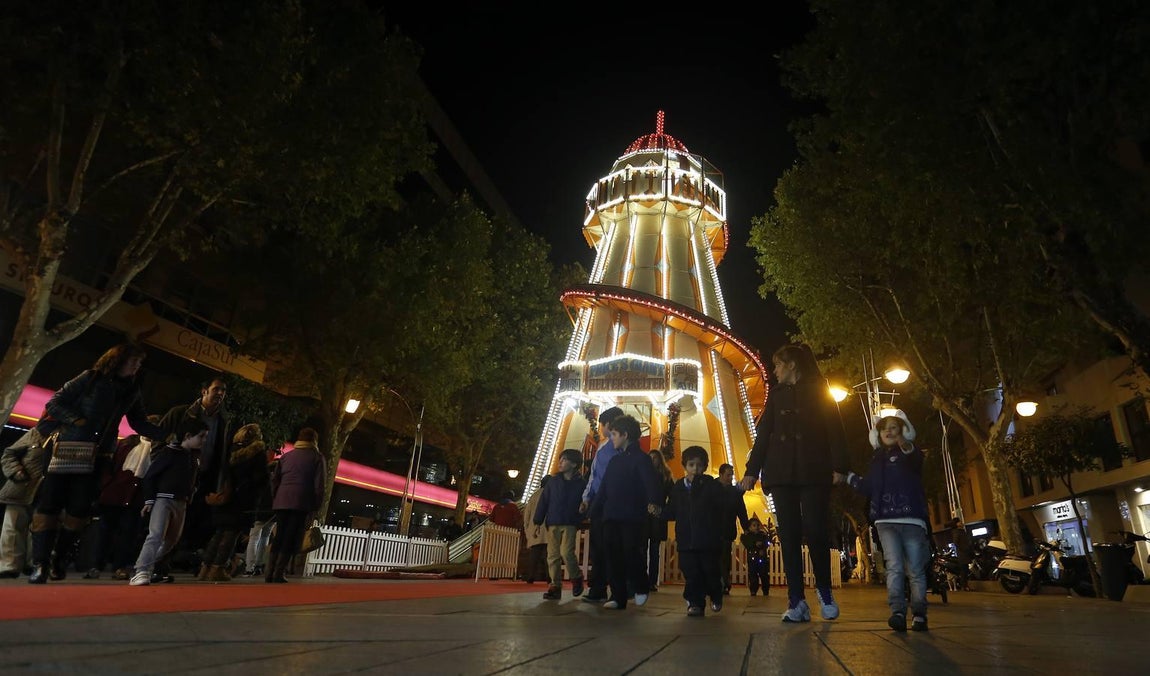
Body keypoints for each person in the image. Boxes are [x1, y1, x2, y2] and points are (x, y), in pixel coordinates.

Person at [29, 342, 166, 585]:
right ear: (118, 360)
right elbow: (54, 404)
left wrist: (167, 433)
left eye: (139, 362)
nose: (137, 366)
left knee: (80, 509)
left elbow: (139, 422)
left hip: (98, 455)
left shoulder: (131, 390)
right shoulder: (90, 378)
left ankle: (57, 558)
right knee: (49, 505)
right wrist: (77, 420)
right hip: (68, 449)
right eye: (134, 360)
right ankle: (39, 563)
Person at [739, 343, 849, 622]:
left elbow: (835, 429)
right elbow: (763, 433)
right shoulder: (775, 396)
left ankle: (824, 591)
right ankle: (796, 599)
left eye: (777, 364)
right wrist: (752, 470)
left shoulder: (820, 391)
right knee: (787, 534)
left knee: (815, 529)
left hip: (813, 468)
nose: (774, 370)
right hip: (781, 471)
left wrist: (840, 466)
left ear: (791, 365)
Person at [841, 409, 930, 632]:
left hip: (912, 520)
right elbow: (869, 486)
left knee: (915, 569)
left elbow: (914, 457)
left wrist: (904, 444)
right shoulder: (877, 459)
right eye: (885, 429)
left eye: (894, 427)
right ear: (878, 435)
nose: (889, 432)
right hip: (885, 521)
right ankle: (897, 611)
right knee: (894, 566)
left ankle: (919, 613)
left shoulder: (910, 454)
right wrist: (846, 478)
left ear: (903, 430)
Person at [589, 414, 662, 610]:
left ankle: (640, 586)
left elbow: (650, 482)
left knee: (631, 552)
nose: (611, 438)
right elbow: (604, 487)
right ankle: (617, 595)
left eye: (614, 434)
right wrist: (593, 509)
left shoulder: (641, 459)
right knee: (612, 555)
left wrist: (654, 502)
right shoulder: (614, 461)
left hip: (631, 516)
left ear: (625, 435)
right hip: (611, 515)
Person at [130, 417, 209, 586]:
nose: (204, 440)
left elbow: (194, 478)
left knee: (171, 539)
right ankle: (141, 570)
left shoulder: (193, 456)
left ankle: (146, 566)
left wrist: (192, 491)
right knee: (156, 535)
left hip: (181, 501)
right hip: (164, 499)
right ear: (188, 435)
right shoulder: (170, 452)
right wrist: (149, 500)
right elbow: (150, 475)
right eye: (201, 436)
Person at [159, 378, 231, 558]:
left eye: (223, 390)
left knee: (195, 519)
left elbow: (223, 452)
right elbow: (158, 439)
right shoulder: (181, 413)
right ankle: (160, 559)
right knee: (170, 519)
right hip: (179, 474)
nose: (220, 394)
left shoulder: (225, 421)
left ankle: (181, 557)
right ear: (204, 391)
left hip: (206, 476)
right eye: (216, 389)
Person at [89, 415, 161, 580]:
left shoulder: (158, 449)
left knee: (128, 534)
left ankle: (119, 566)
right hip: (115, 493)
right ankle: (95, 565)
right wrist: (105, 485)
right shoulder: (128, 443)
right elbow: (110, 464)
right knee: (105, 532)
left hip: (137, 498)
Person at [199, 423, 269, 581]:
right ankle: (218, 568)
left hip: (225, 495)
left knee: (219, 533)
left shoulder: (230, 450)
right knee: (231, 534)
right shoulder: (257, 452)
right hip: (243, 498)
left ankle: (205, 567)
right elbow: (260, 478)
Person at [661, 445, 724, 617]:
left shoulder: (710, 485)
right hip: (686, 538)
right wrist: (660, 512)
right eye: (691, 465)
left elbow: (720, 506)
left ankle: (715, 593)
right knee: (691, 572)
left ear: (704, 466)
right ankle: (695, 602)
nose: (695, 469)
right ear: (685, 466)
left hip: (707, 539)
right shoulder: (679, 487)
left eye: (699, 465)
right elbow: (673, 509)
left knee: (710, 571)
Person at [265, 428, 326, 583]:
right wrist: (316, 505)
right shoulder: (317, 458)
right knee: (291, 536)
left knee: (279, 535)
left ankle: (269, 571)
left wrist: (276, 497)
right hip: (301, 501)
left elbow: (275, 480)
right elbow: (319, 485)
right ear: (314, 441)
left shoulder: (286, 457)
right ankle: (279, 571)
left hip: (281, 501)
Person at [578, 406, 625, 604]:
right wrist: (587, 497)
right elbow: (594, 476)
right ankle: (599, 587)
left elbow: (597, 476)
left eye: (601, 424)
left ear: (608, 424)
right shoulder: (604, 448)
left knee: (609, 546)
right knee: (599, 546)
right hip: (600, 501)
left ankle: (611, 588)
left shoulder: (618, 449)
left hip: (609, 501)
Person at [534, 448, 586, 600]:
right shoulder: (553, 481)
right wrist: (538, 521)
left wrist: (582, 514)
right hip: (553, 522)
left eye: (565, 460)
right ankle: (555, 586)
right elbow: (544, 501)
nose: (560, 462)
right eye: (560, 459)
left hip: (570, 522)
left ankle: (576, 577)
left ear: (574, 464)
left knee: (566, 552)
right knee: (553, 555)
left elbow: (585, 502)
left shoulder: (581, 484)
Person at [0, 428, 46, 578]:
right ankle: (9, 565)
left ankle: (33, 564)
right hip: (20, 487)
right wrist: (16, 471)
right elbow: (8, 454)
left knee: (39, 530)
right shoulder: (35, 433)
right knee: (12, 527)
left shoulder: (68, 435)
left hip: (44, 491)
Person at [717, 462, 749, 595]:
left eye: (731, 475)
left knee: (724, 558)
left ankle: (724, 582)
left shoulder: (734, 492)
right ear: (721, 475)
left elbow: (741, 510)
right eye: (728, 475)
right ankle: (717, 582)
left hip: (727, 529)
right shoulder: (713, 488)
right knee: (715, 557)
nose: (730, 478)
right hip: (714, 529)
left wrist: (745, 526)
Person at [646, 449, 674, 592]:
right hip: (644, 515)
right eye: (650, 458)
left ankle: (652, 581)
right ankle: (641, 578)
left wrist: (664, 511)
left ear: (660, 459)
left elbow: (673, 496)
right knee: (641, 548)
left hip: (657, 516)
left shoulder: (666, 476)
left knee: (654, 549)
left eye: (655, 458)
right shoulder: (643, 475)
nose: (652, 461)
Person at [522, 475, 550, 585]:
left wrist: (527, 528)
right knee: (549, 554)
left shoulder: (534, 496)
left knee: (534, 555)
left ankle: (530, 576)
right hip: (548, 528)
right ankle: (550, 577)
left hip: (535, 529)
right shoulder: (552, 495)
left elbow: (527, 514)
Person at [741, 517, 772, 597]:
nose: (756, 527)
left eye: (757, 525)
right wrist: (754, 544)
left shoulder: (762, 535)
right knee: (753, 575)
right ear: (749, 527)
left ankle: (765, 590)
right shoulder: (747, 536)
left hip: (762, 558)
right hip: (752, 558)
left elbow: (767, 542)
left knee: (764, 575)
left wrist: (763, 547)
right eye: (754, 525)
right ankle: (753, 590)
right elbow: (746, 543)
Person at [946, 517, 973, 591]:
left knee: (966, 570)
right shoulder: (957, 532)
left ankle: (964, 585)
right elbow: (956, 542)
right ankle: (964, 586)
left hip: (966, 553)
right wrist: (963, 549)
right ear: (956, 524)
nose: (961, 523)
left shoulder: (962, 531)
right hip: (963, 554)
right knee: (964, 570)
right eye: (959, 522)